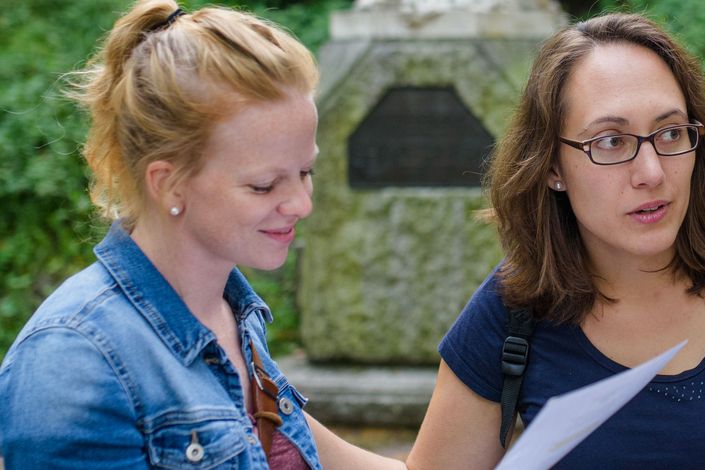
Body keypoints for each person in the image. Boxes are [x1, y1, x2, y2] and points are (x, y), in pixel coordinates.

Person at [407, 12, 705, 469]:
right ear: (552, 166)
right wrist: (326, 439)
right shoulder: (511, 312)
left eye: (671, 132)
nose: (653, 173)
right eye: (611, 141)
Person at [0, 2, 406, 469]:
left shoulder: (232, 313)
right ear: (168, 183)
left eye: (305, 171)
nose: (301, 204)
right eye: (264, 185)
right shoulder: (75, 361)